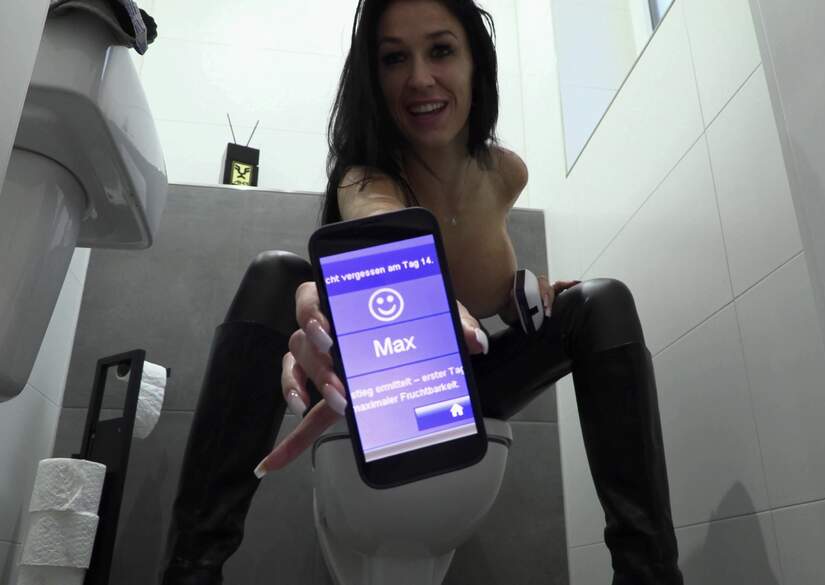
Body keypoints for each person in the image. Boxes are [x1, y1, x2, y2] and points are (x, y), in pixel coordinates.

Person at [160, 1, 685, 584]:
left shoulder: (507, 173)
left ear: (475, 63)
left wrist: (524, 295)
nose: (419, 78)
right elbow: (380, 223)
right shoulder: (366, 178)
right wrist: (427, 296)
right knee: (276, 273)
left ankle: (649, 574)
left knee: (601, 300)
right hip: (388, 382)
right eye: (394, 59)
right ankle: (192, 568)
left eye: (440, 50)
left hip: (474, 383)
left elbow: (485, 264)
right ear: (373, 77)